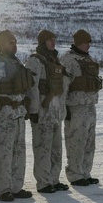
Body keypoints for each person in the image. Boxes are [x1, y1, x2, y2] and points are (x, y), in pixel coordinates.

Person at [0, 30, 36, 202]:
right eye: (10, 42)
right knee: (1, 152)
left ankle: (16, 186)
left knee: (18, 152)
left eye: (15, 42)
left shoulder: (17, 64)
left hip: (17, 115)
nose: (14, 45)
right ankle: (2, 188)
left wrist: (27, 107)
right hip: (1, 116)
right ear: (1, 45)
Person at [26, 30, 71, 194]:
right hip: (43, 112)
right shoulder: (35, 61)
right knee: (42, 148)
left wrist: (63, 110)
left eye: (54, 40)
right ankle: (44, 182)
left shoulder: (55, 60)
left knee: (56, 149)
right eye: (49, 40)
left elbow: (62, 88)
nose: (53, 42)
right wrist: (33, 110)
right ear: (42, 42)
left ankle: (54, 179)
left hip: (55, 112)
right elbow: (32, 87)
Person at [61, 29, 102, 187]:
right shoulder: (68, 60)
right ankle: (75, 174)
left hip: (90, 106)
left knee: (89, 142)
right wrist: (65, 108)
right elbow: (64, 86)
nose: (88, 45)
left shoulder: (89, 59)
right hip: (75, 107)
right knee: (75, 141)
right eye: (85, 42)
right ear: (78, 43)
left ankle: (85, 172)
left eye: (89, 42)